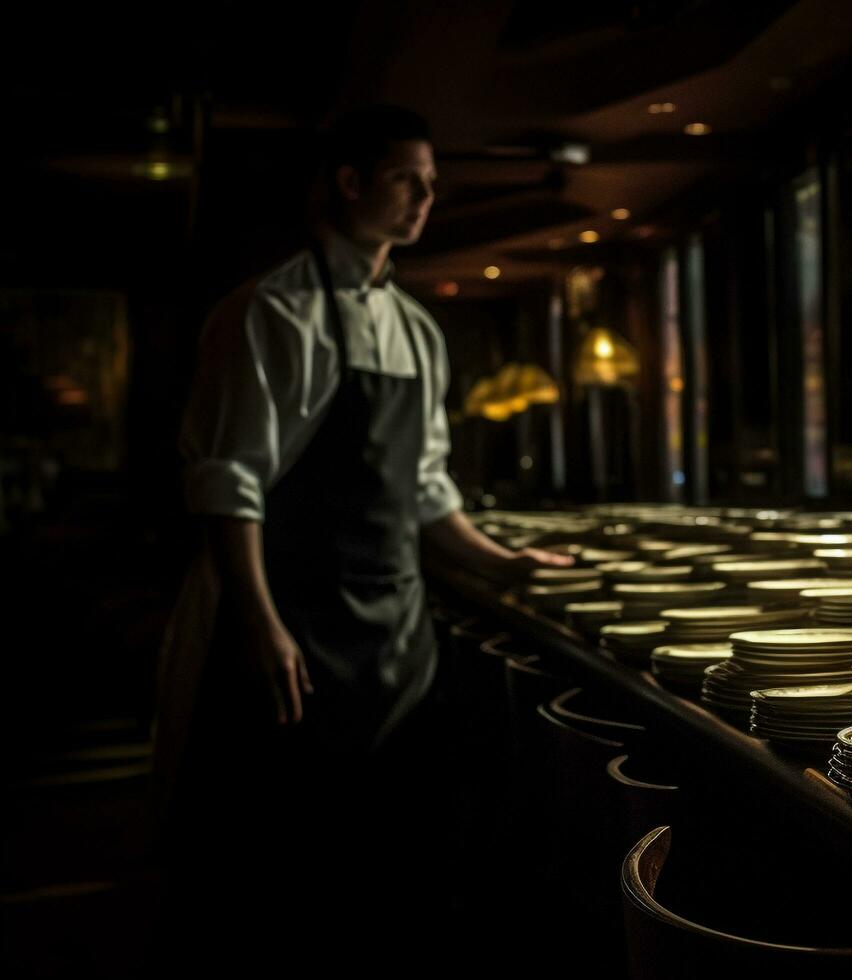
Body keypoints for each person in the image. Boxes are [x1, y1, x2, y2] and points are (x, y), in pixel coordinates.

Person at [152, 104, 567, 970]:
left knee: (388, 857)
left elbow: (424, 490)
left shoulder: (417, 329)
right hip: (293, 625)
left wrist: (503, 560)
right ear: (349, 182)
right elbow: (228, 485)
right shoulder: (271, 310)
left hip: (395, 633)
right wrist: (260, 624)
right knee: (282, 863)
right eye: (405, 180)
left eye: (431, 184)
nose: (425, 198)